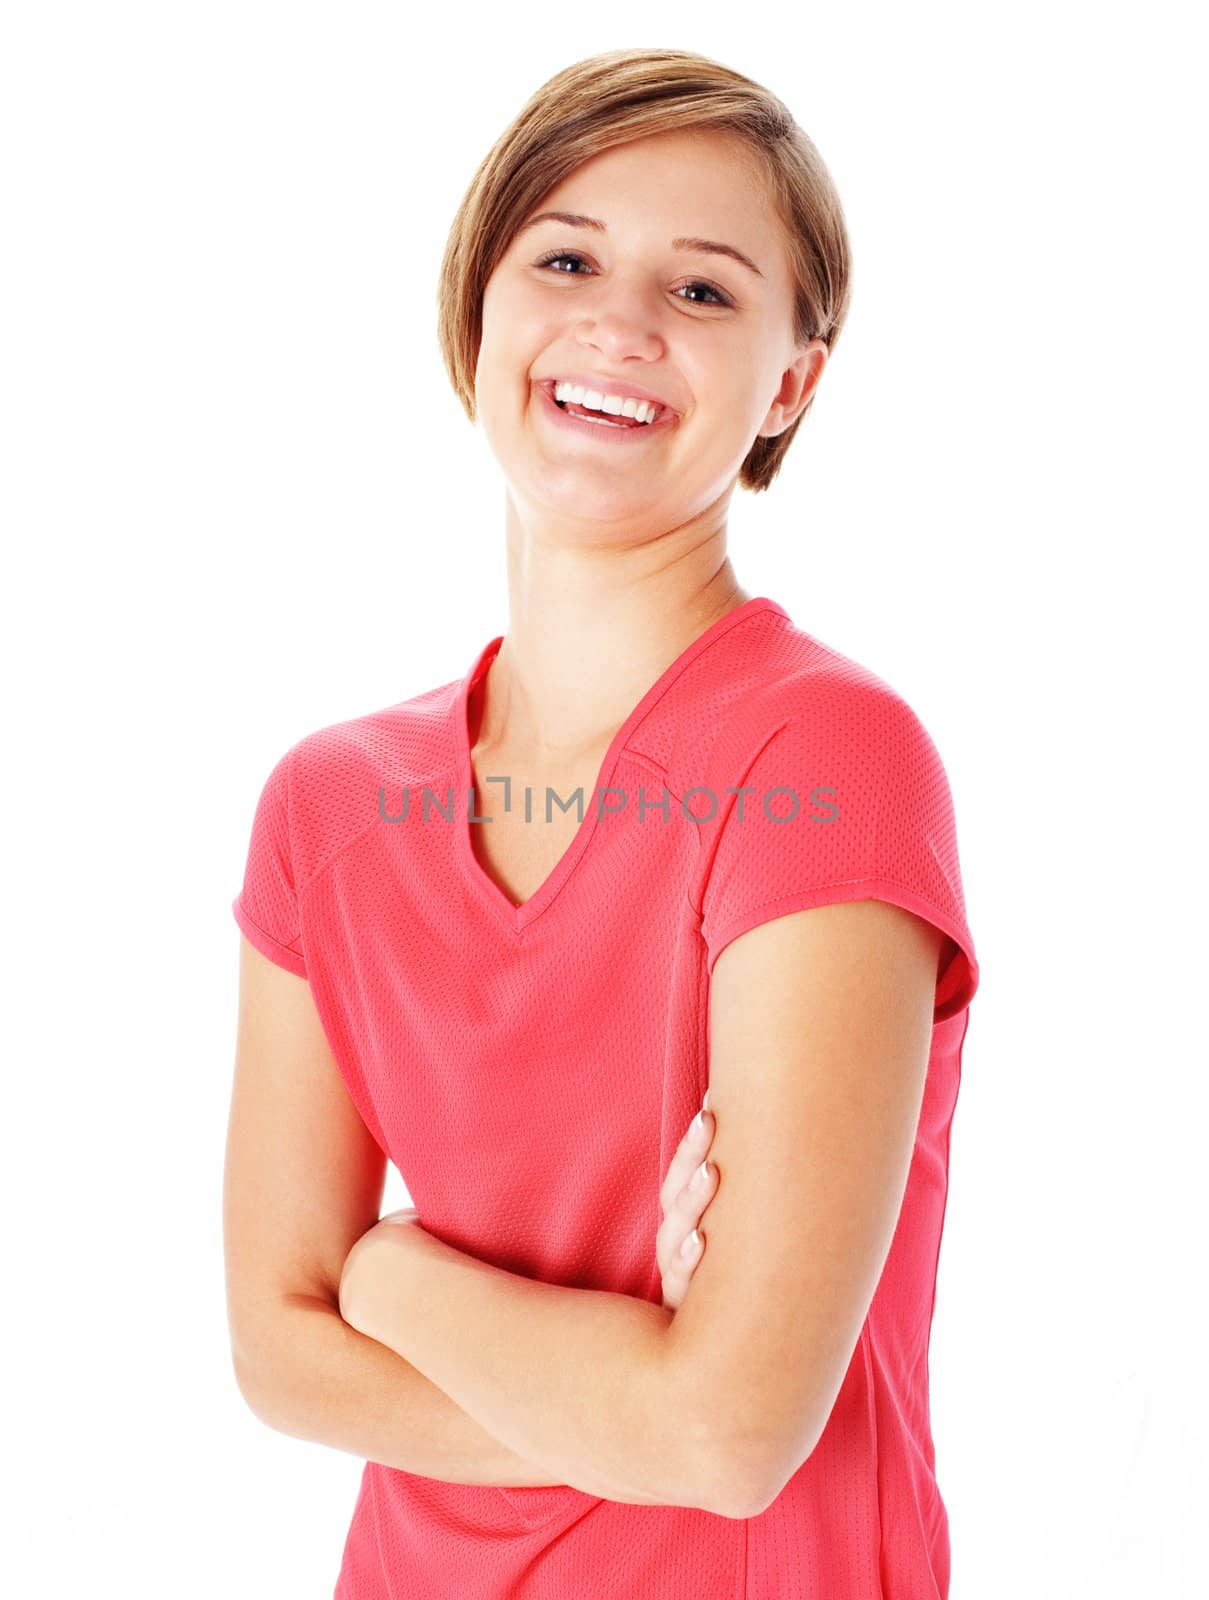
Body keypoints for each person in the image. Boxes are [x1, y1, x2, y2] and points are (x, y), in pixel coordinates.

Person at [225, 46, 980, 1600]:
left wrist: (385, 1270)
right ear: (477, 315)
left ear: (791, 381)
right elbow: (274, 1357)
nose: (620, 322)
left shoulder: (826, 756)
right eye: (563, 257)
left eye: (703, 290)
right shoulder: (332, 806)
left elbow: (725, 1439)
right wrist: (630, 1390)